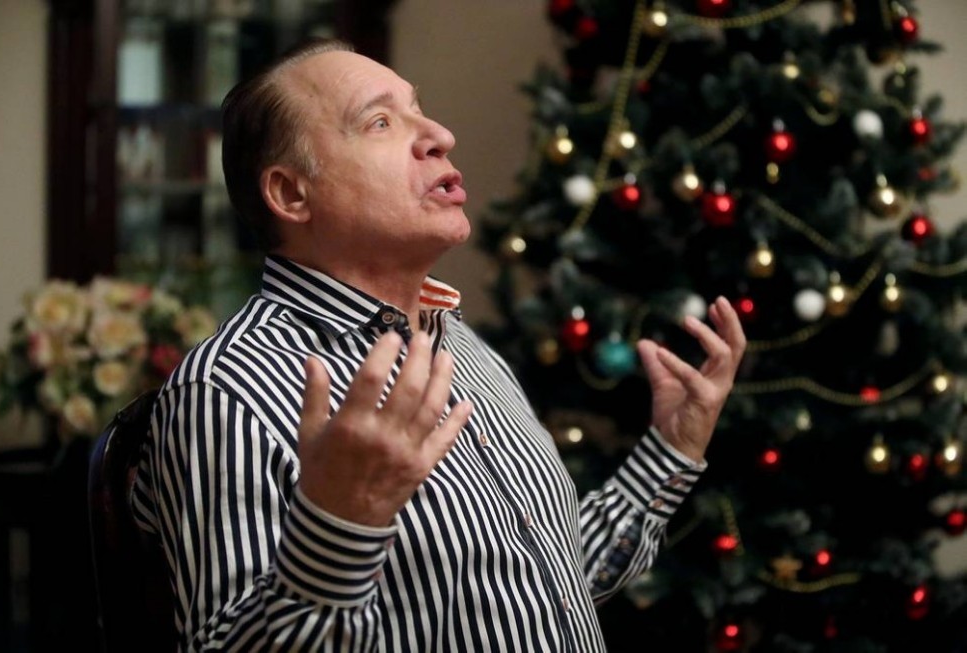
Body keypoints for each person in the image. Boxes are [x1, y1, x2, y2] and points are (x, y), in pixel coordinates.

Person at [131, 37, 746, 652]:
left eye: (418, 109)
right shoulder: (227, 391)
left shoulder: (459, 343)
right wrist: (338, 526)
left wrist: (672, 450)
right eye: (379, 122)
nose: (440, 136)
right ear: (292, 194)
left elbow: (540, 587)